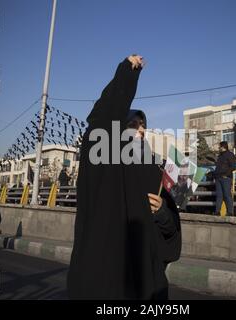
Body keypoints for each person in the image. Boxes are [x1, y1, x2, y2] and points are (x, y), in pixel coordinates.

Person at [67, 55, 182, 300]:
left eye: (143, 126)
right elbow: (101, 119)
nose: (141, 130)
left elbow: (171, 233)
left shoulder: (152, 171)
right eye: (133, 124)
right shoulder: (102, 163)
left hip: (147, 283)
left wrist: (162, 212)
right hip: (104, 280)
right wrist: (126, 74)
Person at [214, 141, 236, 216]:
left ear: (223, 147)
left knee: (227, 195)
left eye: (219, 147)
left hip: (226, 178)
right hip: (218, 178)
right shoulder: (220, 156)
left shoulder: (230, 155)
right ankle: (217, 211)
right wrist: (215, 175)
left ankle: (230, 212)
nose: (218, 148)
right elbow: (218, 167)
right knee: (219, 195)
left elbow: (232, 166)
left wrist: (226, 175)